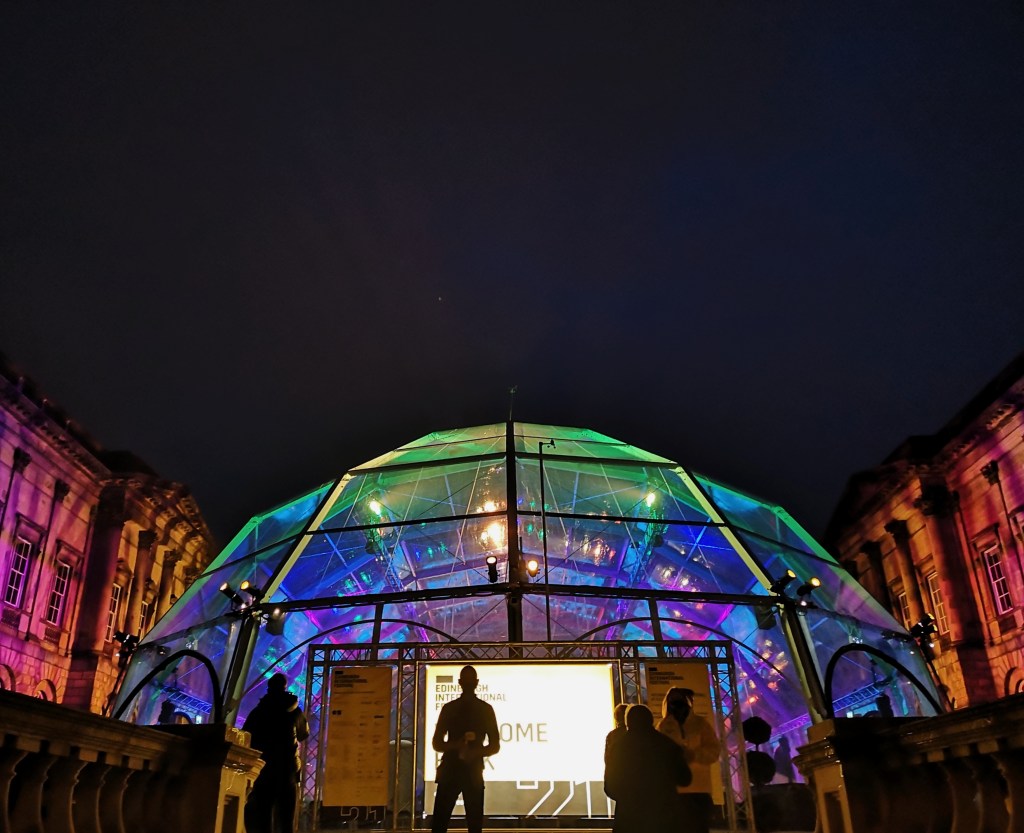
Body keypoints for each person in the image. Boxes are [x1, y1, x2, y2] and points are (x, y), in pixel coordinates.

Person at [430, 665, 501, 833]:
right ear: (476, 683)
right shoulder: (484, 709)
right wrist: (468, 749)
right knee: (471, 824)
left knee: (443, 823)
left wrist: (462, 748)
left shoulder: (451, 708)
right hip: (466, 771)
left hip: (456, 770)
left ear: (460, 683)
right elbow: (494, 746)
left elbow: (437, 743)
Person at [604, 703, 691, 833]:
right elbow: (685, 778)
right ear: (651, 720)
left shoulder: (619, 747)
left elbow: (610, 786)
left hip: (629, 816)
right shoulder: (666, 745)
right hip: (662, 815)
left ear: (628, 722)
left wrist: (627, 798)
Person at [243, 673, 310, 833]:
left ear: (269, 688)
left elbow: (246, 736)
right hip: (288, 771)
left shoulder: (258, 712)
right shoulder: (294, 712)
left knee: (263, 816)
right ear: (285, 688)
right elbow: (304, 734)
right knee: (286, 819)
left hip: (263, 770)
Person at [657, 687, 720, 833]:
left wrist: (695, 755)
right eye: (672, 701)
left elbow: (714, 751)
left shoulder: (701, 724)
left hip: (699, 790)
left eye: (679, 701)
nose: (676, 705)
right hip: (674, 791)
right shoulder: (663, 726)